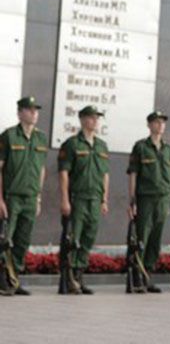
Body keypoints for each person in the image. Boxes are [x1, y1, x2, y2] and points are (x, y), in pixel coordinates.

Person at [57, 105, 110, 295]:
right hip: (77, 198)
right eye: (91, 117)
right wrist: (65, 200)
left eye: (97, 118)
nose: (95, 121)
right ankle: (68, 278)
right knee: (73, 239)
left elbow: (105, 174)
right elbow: (64, 174)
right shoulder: (72, 144)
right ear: (82, 120)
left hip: (95, 199)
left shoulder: (102, 145)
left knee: (88, 238)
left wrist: (104, 199)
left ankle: (79, 276)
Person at [0, 96, 48, 295]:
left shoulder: (41, 138)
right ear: (20, 113)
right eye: (29, 110)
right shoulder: (9, 136)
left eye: (35, 110)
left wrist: (38, 197)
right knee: (5, 240)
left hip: (30, 197)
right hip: (12, 197)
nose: (34, 113)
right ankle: (3, 279)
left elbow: (41, 169)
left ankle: (14, 279)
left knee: (22, 240)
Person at [126, 110, 170, 293]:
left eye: (162, 122)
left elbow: (168, 177)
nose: (160, 125)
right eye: (156, 122)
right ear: (149, 125)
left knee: (155, 239)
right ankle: (137, 276)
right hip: (145, 198)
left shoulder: (168, 149)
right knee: (142, 238)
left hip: (162, 199)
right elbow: (133, 174)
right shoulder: (141, 147)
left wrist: (167, 202)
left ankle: (148, 275)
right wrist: (132, 201)